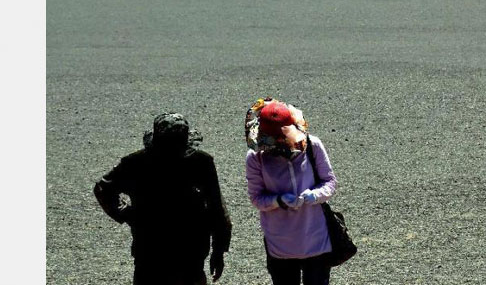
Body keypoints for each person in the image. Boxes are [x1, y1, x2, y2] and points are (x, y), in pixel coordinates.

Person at [94, 113, 232, 285]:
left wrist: (127, 214)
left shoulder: (136, 162)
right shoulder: (200, 162)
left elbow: (103, 187)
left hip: (150, 252)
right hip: (189, 253)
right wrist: (218, 251)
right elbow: (217, 209)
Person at [244, 98, 338, 285]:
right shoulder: (256, 158)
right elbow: (256, 198)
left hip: (315, 240)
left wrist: (315, 195)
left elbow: (329, 181)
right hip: (280, 245)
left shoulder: (313, 145)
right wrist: (278, 201)